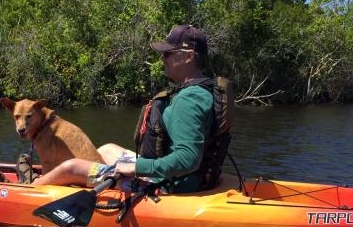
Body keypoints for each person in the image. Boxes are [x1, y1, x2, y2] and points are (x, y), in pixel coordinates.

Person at [32, 24, 218, 193]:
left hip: (165, 185)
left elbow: (188, 158)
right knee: (106, 150)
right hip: (178, 177)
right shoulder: (201, 90)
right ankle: (84, 180)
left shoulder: (190, 99)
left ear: (188, 56)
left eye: (168, 53)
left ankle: (28, 189)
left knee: (70, 167)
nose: (162, 58)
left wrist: (136, 168)